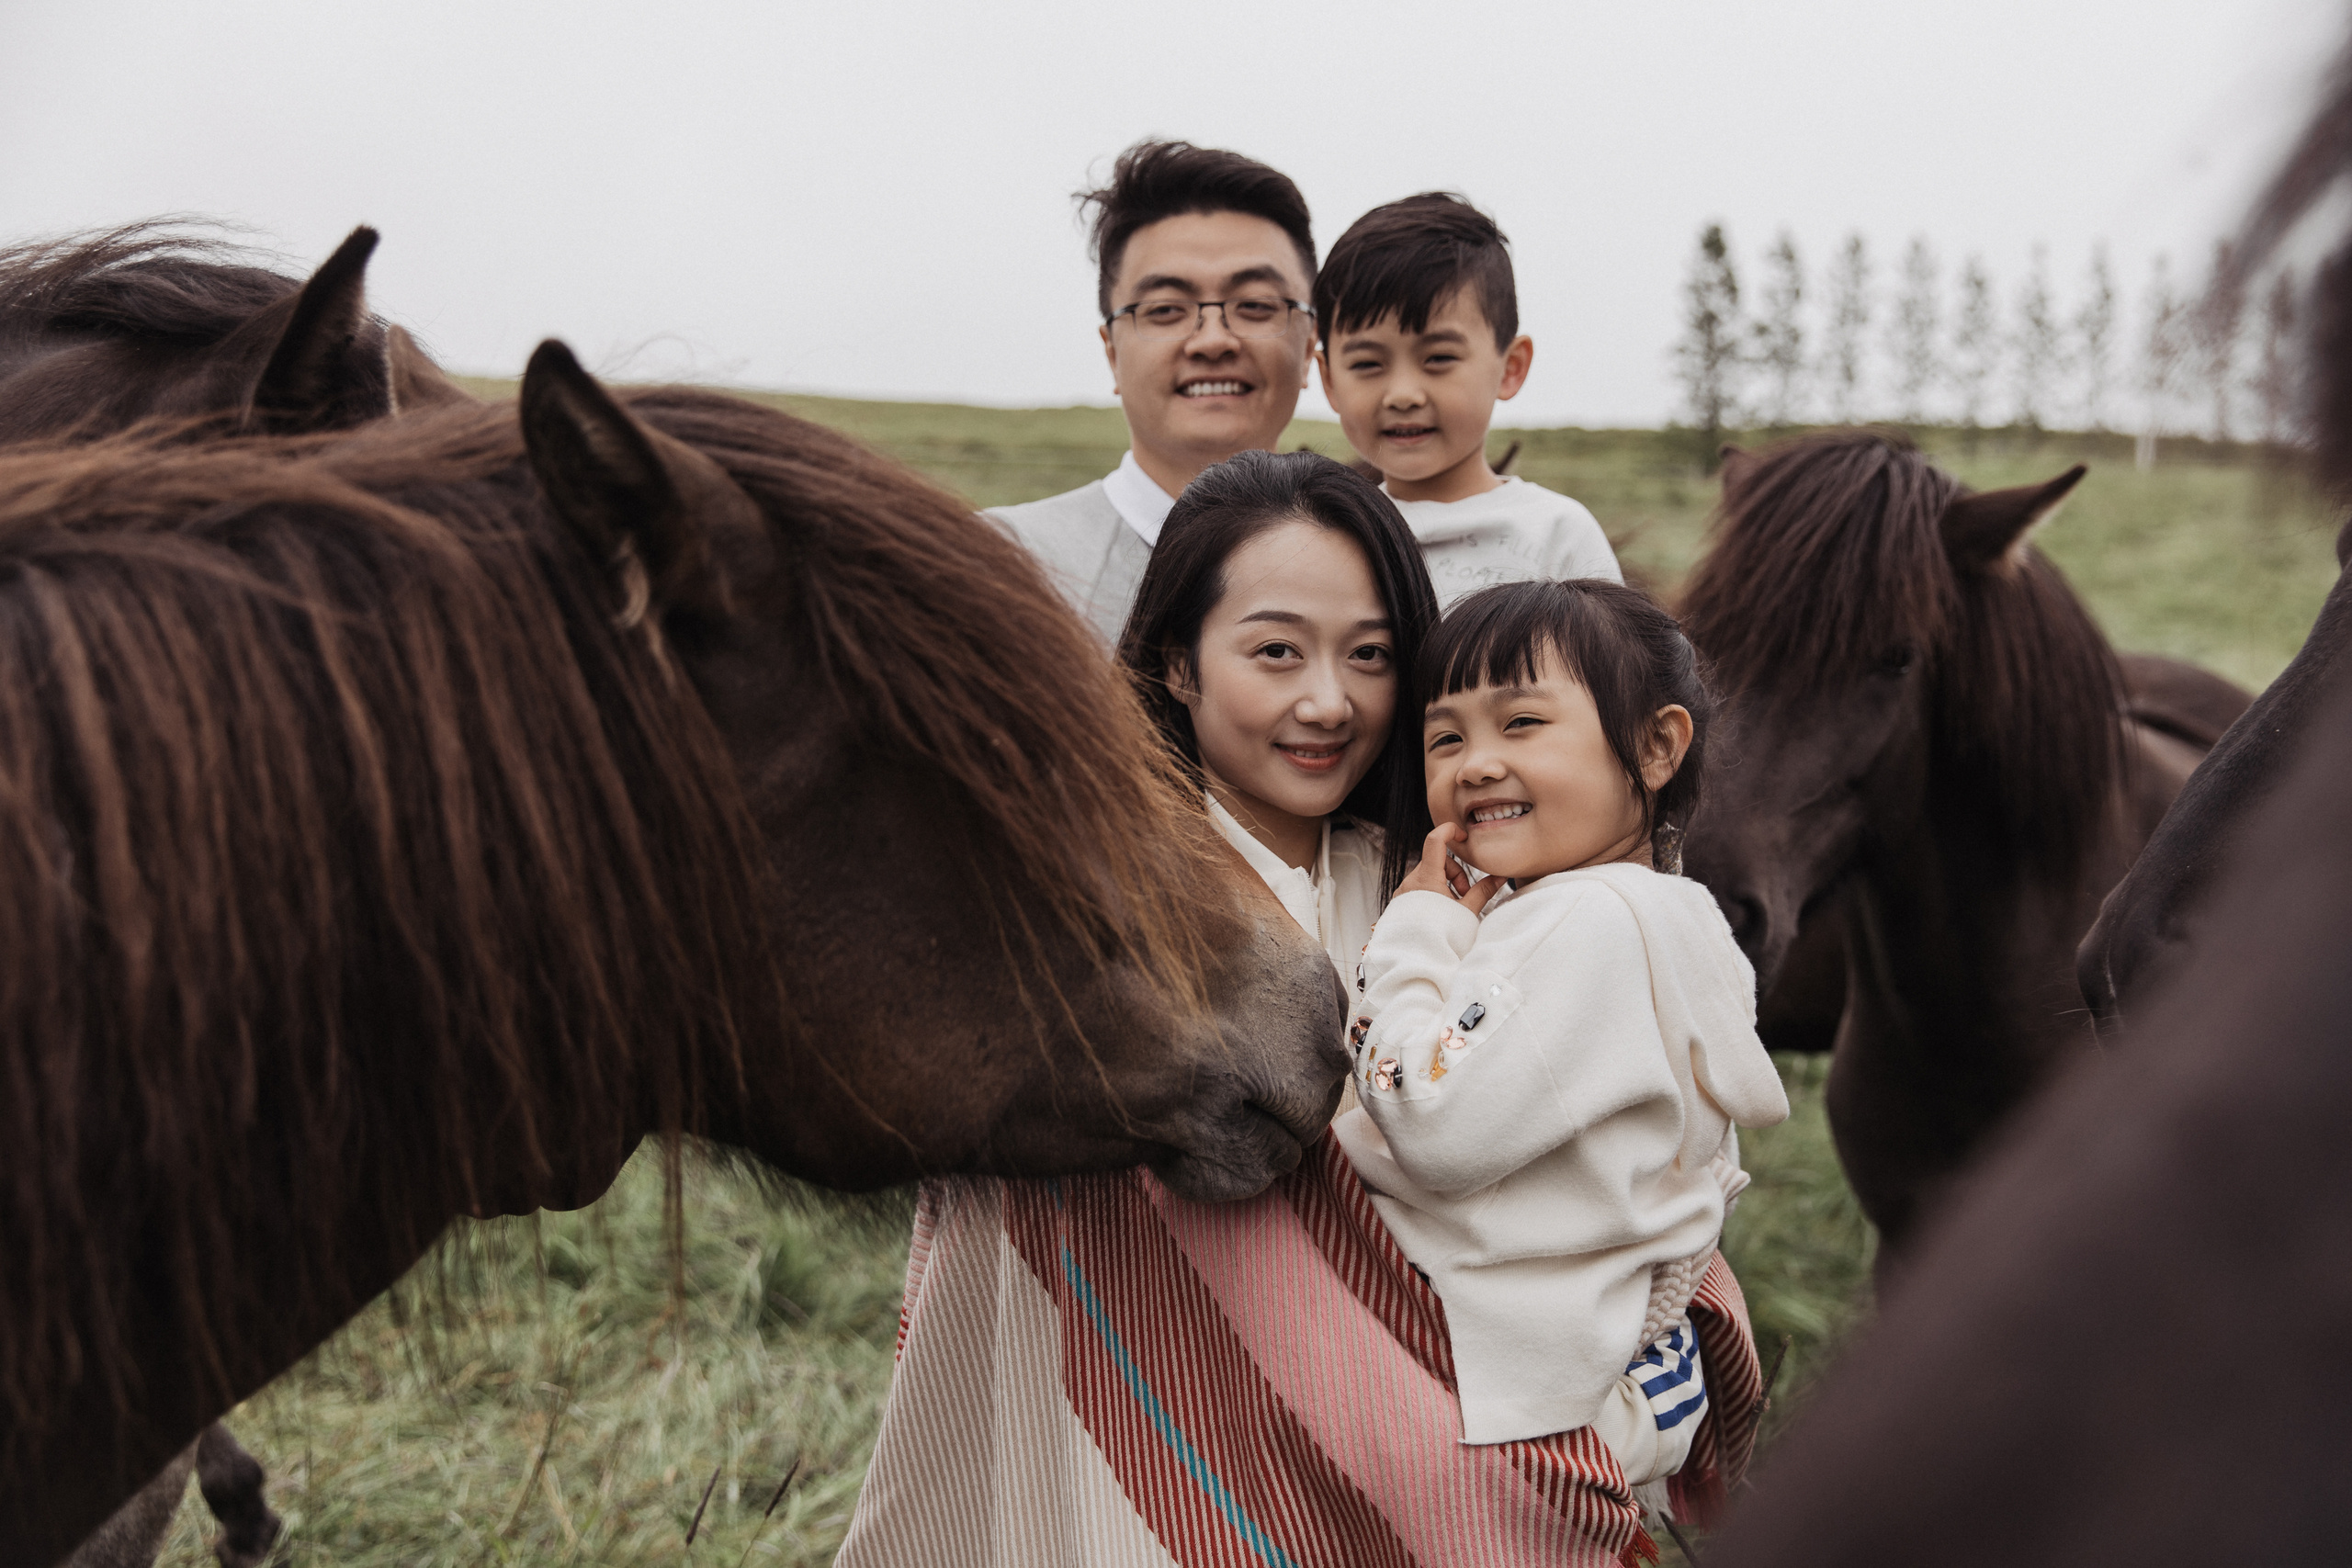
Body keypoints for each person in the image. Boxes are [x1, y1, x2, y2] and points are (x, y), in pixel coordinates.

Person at [840, 458, 1769, 1567]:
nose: (1329, 702)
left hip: (1454, 1457)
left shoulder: (1453, 881)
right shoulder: (1091, 912)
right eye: (1276, 651)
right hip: (1142, 1461)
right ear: (1178, 662)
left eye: (1370, 656)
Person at [1336, 578, 1790, 1487]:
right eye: (1445, 737)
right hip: (1579, 1360)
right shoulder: (1671, 915)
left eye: (1522, 724)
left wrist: (1415, 934)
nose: (1475, 764)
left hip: (1495, 1392)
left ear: (1655, 748)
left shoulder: (1574, 922)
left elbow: (1427, 1115)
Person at [991, 141, 1321, 645]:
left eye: (1256, 305)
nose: (1213, 341)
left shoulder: (1375, 563)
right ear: (1112, 353)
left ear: (1310, 345)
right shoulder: (999, 566)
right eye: (1165, 309)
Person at [1314, 193, 1621, 605]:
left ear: (1511, 367)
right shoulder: (1325, 538)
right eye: (1367, 363)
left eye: (1439, 358)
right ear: (1329, 379)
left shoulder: (1559, 536)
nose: (1402, 395)